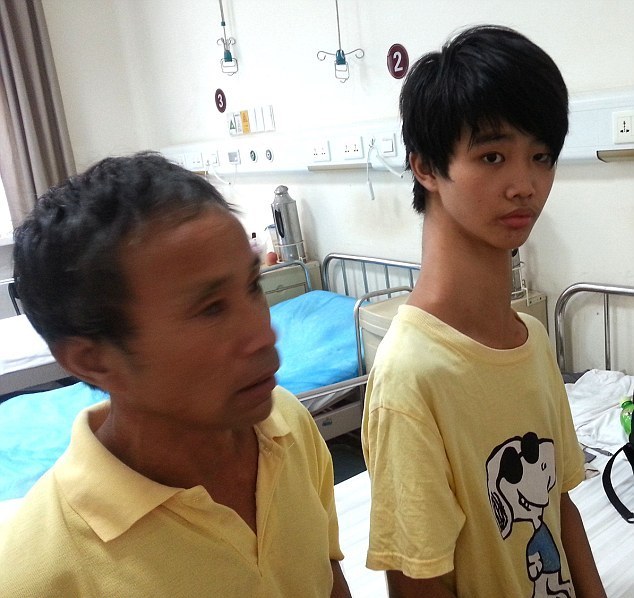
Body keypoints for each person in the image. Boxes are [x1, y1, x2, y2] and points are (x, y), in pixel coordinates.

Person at [0, 152, 351, 597]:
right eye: (210, 310)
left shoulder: (287, 425)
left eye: (252, 286)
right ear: (93, 361)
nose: (264, 334)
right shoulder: (36, 575)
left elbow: (326, 577)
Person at [362, 25, 606, 598]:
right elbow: (420, 582)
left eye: (541, 157)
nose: (525, 185)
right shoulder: (410, 376)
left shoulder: (532, 339)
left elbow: (560, 506)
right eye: (492, 156)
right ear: (426, 168)